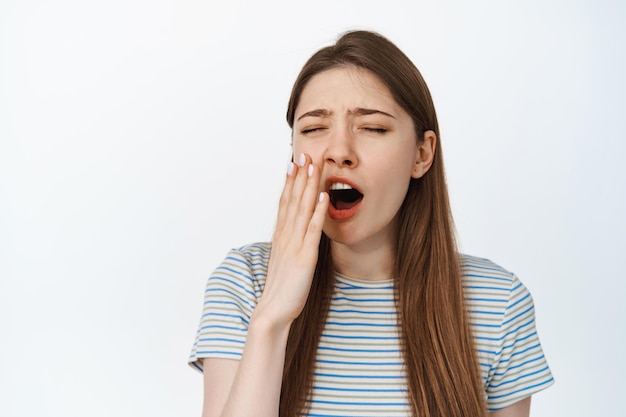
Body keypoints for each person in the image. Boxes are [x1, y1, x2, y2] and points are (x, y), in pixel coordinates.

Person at [188, 30, 554, 417]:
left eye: (373, 128)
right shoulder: (245, 283)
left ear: (422, 153)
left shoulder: (497, 303)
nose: (339, 153)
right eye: (313, 129)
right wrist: (273, 315)